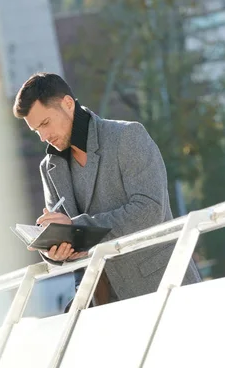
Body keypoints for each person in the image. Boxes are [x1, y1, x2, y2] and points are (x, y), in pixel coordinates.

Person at [13, 73, 201, 307]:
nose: (43, 137)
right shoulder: (50, 167)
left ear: (68, 105)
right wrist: (53, 251)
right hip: (99, 301)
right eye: (36, 131)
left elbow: (150, 210)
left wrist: (78, 229)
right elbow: (62, 232)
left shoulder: (127, 137)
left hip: (160, 287)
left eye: (45, 123)